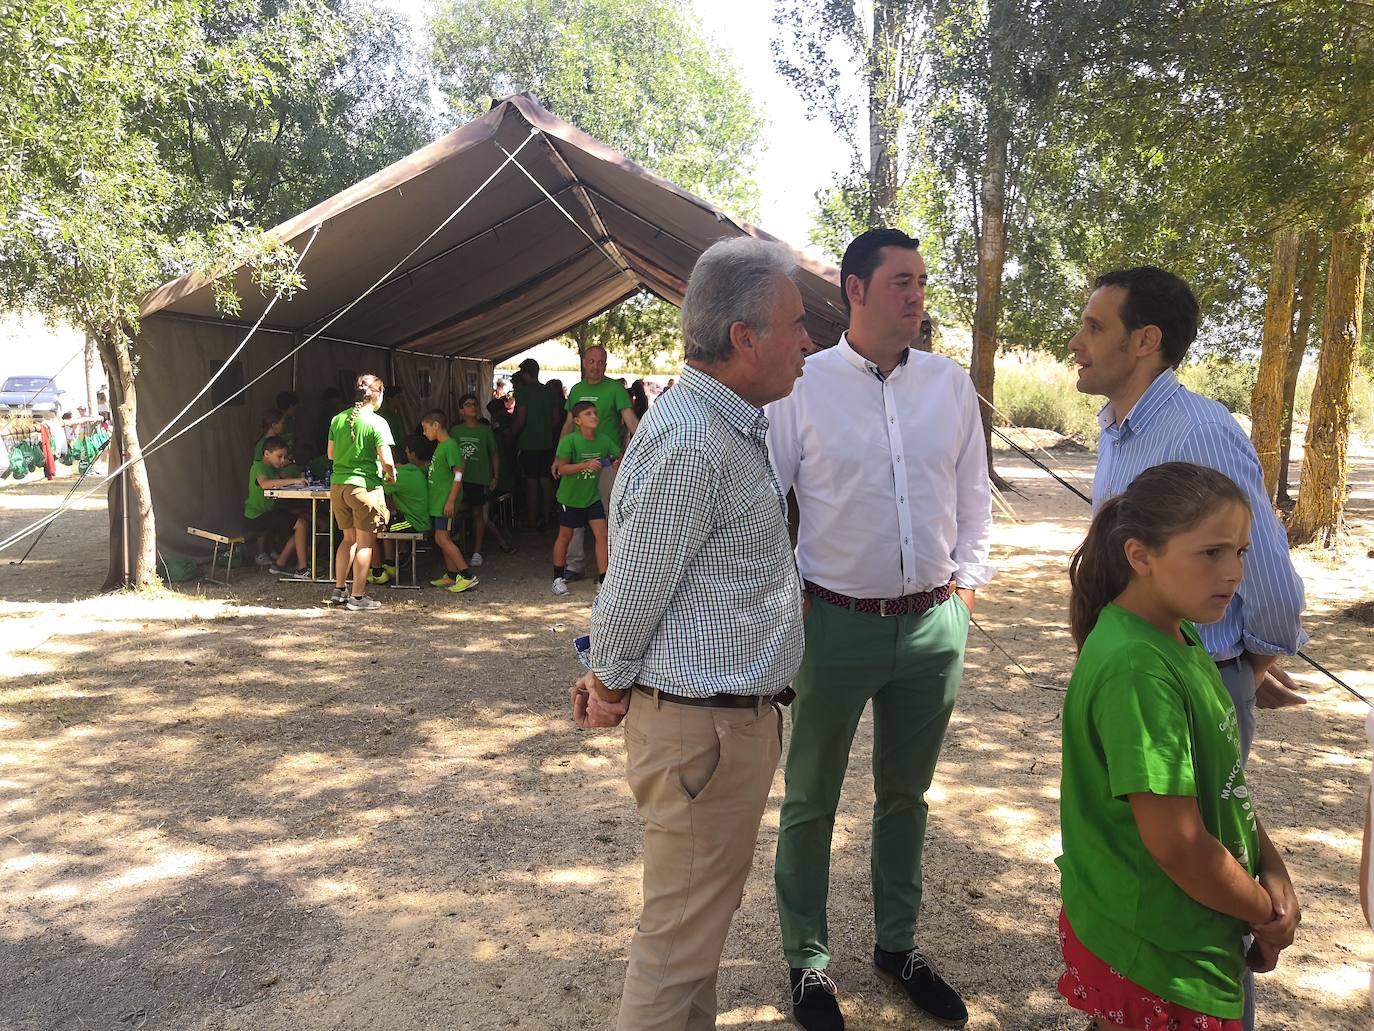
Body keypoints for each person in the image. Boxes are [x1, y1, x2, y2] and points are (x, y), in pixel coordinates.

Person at [572, 237, 811, 1029]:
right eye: (796, 323)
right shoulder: (694, 441)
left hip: (718, 730)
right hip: (702, 733)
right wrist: (606, 683)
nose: (809, 340)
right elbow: (635, 586)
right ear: (745, 337)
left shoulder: (720, 425)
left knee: (691, 936)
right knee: (675, 949)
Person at [767, 228, 992, 1031]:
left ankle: (898, 947)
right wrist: (784, 591)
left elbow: (974, 495)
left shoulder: (950, 386)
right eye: (901, 281)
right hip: (834, 623)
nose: (916, 295)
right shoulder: (804, 384)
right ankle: (808, 963)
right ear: (855, 291)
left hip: (934, 625)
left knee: (907, 795)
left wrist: (965, 586)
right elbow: (768, 498)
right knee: (811, 796)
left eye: (923, 281)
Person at [1058, 462, 1300, 1031]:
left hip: (1188, 929)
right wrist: (1265, 913)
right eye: (1211, 552)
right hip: (1157, 949)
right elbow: (1180, 844)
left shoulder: (1179, 634)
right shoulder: (1136, 668)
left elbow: (1224, 783)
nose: (1234, 572)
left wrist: (1273, 867)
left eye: (1240, 551)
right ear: (1141, 556)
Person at [1070, 266, 1308, 773]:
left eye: (1094, 327)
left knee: (1191, 845)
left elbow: (1271, 582)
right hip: (1126, 671)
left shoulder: (1199, 433)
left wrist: (1244, 668)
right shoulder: (1117, 428)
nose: (1076, 341)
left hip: (1189, 684)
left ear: (1144, 340)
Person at [559, 345, 640, 579]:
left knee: (608, 514)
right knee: (574, 512)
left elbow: (631, 422)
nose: (596, 366)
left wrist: (634, 451)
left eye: (601, 362)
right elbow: (567, 423)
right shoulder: (575, 390)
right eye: (592, 361)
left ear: (606, 365)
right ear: (584, 362)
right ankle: (574, 565)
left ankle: (612, 568)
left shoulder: (615, 389)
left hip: (607, 464)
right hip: (577, 464)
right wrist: (559, 455)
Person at [327, 374, 395, 611]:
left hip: (338, 486)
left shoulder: (337, 419)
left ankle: (339, 590)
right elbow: (387, 460)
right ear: (376, 395)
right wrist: (391, 474)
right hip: (364, 487)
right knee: (366, 543)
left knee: (348, 539)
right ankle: (357, 597)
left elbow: (331, 455)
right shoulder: (377, 422)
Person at [550, 401, 619, 595]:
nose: (594, 416)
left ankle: (604, 580)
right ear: (578, 421)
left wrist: (615, 462)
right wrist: (585, 465)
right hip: (570, 499)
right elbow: (562, 469)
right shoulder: (569, 441)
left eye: (595, 413)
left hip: (591, 497)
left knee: (602, 535)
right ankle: (557, 578)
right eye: (588, 413)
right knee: (565, 537)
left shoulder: (604, 439)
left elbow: (618, 456)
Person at [420, 410, 478, 594]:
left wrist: (451, 500)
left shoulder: (450, 445)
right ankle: (452, 575)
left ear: (436, 425)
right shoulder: (442, 445)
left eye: (425, 428)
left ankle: (467, 576)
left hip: (445, 501)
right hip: (438, 501)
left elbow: (459, 472)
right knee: (441, 538)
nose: (424, 432)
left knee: (443, 538)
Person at [450, 393, 512, 565]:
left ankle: (477, 551)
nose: (473, 407)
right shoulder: (455, 431)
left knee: (479, 513)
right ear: (461, 410)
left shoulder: (485, 431)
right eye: (468, 405)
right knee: (457, 510)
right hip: (460, 480)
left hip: (480, 478)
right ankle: (455, 545)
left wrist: (495, 476)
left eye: (475, 404)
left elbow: (494, 453)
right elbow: (449, 454)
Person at [370, 433, 434, 585]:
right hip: (418, 519)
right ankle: (390, 565)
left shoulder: (399, 476)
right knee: (384, 523)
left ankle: (378, 571)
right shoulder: (411, 470)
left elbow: (376, 487)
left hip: (415, 523)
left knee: (374, 529)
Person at [244, 436, 310, 578]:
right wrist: (296, 480)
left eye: (284, 457)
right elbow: (265, 484)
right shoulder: (258, 467)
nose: (282, 460)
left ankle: (280, 564)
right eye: (279, 456)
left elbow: (283, 478)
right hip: (256, 516)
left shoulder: (273, 468)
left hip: (268, 512)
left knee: (303, 523)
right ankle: (302, 569)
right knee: (300, 524)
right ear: (267, 454)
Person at [510, 358, 557, 531]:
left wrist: (511, 435)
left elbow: (520, 419)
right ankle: (546, 517)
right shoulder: (548, 391)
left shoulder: (523, 392)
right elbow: (556, 419)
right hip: (547, 443)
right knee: (546, 482)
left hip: (528, 444)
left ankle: (531, 520)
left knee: (531, 483)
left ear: (524, 373)